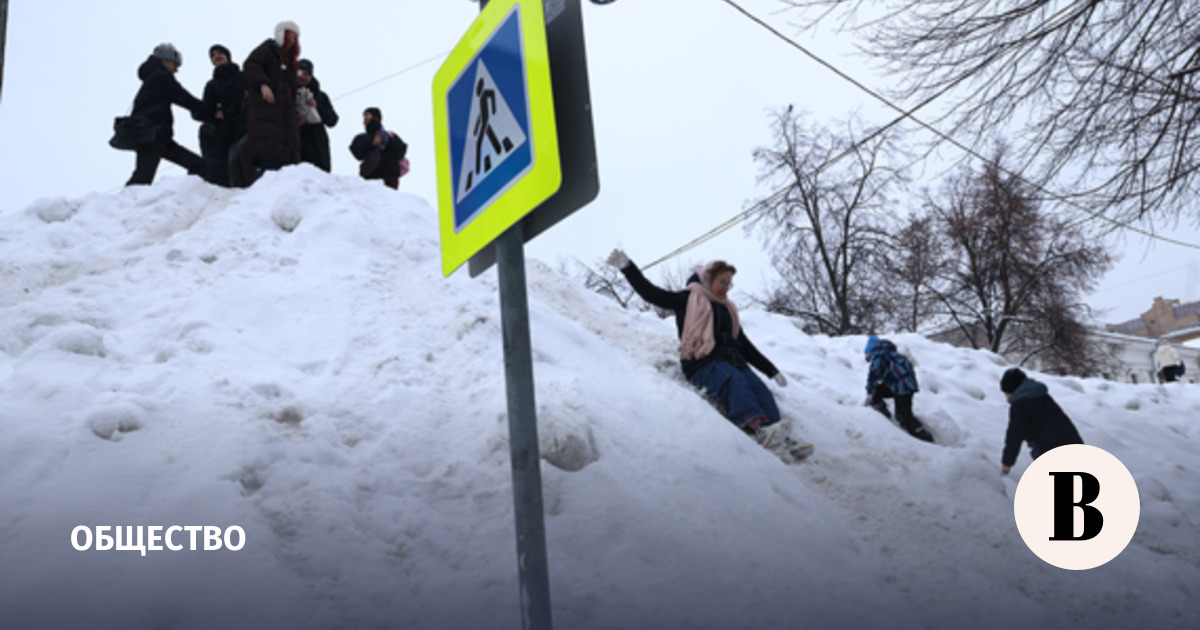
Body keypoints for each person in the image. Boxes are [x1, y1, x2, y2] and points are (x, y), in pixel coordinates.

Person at [606, 249, 812, 461]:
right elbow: (653, 294)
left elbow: (744, 344)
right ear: (707, 279)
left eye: (729, 284)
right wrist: (628, 269)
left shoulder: (727, 309)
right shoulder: (689, 299)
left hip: (734, 361)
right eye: (721, 282)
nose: (725, 288)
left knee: (761, 391)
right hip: (702, 362)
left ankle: (781, 438)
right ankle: (759, 426)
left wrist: (771, 370)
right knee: (735, 381)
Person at [125, 43, 205, 186]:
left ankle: (190, 192)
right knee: (142, 179)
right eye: (176, 65)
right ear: (165, 60)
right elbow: (183, 97)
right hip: (152, 136)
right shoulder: (161, 77)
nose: (176, 70)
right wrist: (207, 109)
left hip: (154, 136)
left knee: (197, 165)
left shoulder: (153, 78)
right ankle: (125, 205)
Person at [241, 21, 302, 182]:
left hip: (284, 122)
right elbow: (251, 64)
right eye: (291, 35)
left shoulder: (290, 64)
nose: (294, 39)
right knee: (268, 164)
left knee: (284, 171)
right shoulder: (268, 49)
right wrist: (263, 83)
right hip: (266, 116)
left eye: (296, 36)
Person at [999, 367, 1084, 475]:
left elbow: (1014, 435)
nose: (1006, 397)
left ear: (1012, 389)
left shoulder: (1020, 406)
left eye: (1006, 392)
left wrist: (1007, 462)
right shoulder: (1043, 397)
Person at [863, 335, 934, 442]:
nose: (868, 357)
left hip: (901, 387)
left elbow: (874, 375)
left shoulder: (879, 355)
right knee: (900, 410)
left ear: (871, 350)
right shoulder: (894, 354)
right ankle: (882, 411)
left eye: (867, 354)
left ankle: (925, 439)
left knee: (903, 416)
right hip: (907, 386)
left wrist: (869, 393)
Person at [197, 44, 246, 187]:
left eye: (220, 53)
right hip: (221, 130)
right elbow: (207, 108)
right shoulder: (212, 85)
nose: (216, 56)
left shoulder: (243, 77)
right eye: (213, 55)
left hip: (242, 126)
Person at [295, 59, 339, 172]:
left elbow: (332, 120)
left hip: (317, 143)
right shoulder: (287, 93)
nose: (302, 77)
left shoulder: (320, 96)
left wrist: (316, 106)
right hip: (296, 142)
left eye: (306, 74)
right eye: (299, 73)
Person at [350, 107, 408, 190]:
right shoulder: (361, 138)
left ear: (376, 117)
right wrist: (372, 144)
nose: (364, 118)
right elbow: (358, 154)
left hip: (390, 175)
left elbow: (400, 152)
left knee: (389, 201)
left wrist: (389, 141)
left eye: (367, 115)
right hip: (371, 174)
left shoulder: (390, 136)